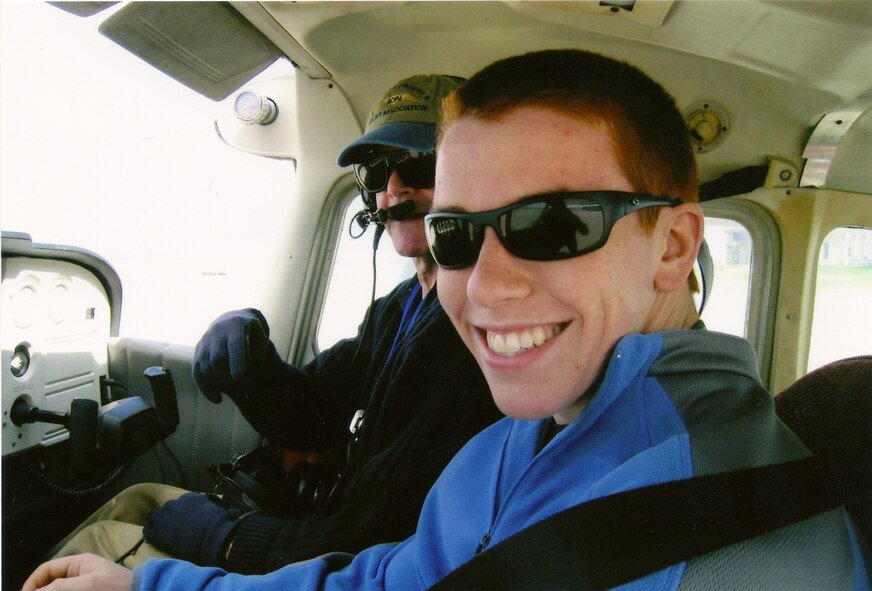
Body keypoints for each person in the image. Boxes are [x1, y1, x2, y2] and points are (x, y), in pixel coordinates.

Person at [25, 48, 869, 591]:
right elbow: (390, 573)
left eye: (551, 223)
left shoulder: (707, 540)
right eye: (457, 234)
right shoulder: (518, 436)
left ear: (672, 245)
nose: (486, 286)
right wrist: (151, 586)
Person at [44, 74, 501, 576]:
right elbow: (316, 415)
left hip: (348, 561)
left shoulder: (472, 333)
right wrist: (253, 365)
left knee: (98, 541)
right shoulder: (398, 307)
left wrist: (229, 538)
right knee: (137, 499)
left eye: (418, 164)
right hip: (326, 537)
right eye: (376, 171)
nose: (393, 189)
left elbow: (378, 537)